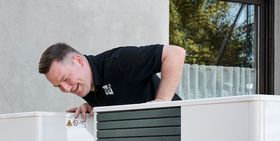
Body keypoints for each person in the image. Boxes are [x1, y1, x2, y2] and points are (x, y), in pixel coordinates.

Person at [38, 42, 185, 120]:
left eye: (65, 79)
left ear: (78, 61)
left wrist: (161, 102)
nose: (66, 88)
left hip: (178, 129)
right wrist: (92, 106)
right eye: (59, 86)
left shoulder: (119, 61)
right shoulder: (86, 88)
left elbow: (175, 54)